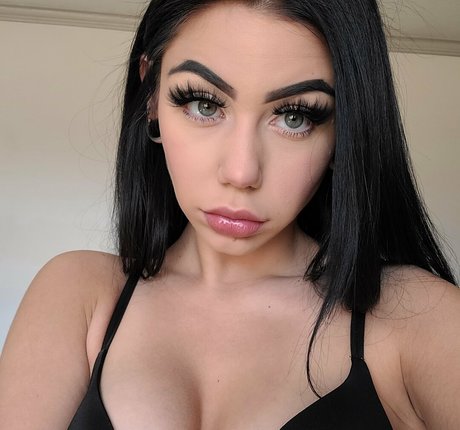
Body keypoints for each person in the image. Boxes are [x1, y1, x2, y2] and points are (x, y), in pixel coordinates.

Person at [1, 0, 459, 428]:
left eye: (295, 117)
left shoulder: (416, 318)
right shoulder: (80, 293)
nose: (242, 173)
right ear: (152, 96)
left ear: (346, 128)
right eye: (204, 104)